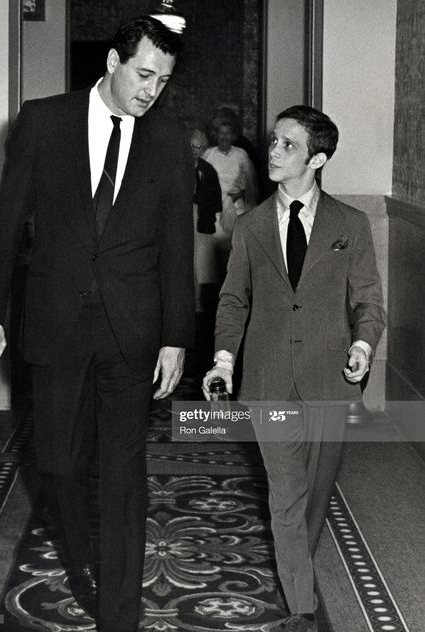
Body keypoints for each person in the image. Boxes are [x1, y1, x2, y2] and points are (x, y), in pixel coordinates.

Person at [0, 16, 194, 632]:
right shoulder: (44, 120)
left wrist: (177, 336)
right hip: (56, 322)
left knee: (125, 475)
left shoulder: (173, 140)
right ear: (114, 63)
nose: (152, 90)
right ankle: (89, 560)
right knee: (59, 465)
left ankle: (119, 614)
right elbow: (6, 221)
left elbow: (178, 246)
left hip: (132, 332)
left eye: (164, 81)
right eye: (144, 74)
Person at [203, 105, 385, 632]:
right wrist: (223, 360)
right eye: (274, 142)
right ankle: (301, 609)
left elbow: (368, 301)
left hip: (332, 379)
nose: (274, 152)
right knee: (286, 493)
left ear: (318, 159)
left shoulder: (350, 225)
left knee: (315, 494)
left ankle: (295, 567)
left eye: (288, 145)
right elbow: (234, 299)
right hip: (268, 381)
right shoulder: (251, 224)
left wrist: (364, 347)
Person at [203, 121, 258, 277]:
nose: (224, 137)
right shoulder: (209, 154)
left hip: (236, 209)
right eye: (221, 133)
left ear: (233, 136)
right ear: (216, 135)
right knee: (211, 258)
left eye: (228, 133)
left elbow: (251, 184)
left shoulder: (241, 155)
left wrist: (240, 195)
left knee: (234, 256)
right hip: (213, 211)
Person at [190, 128, 222, 313]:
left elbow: (214, 200)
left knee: (202, 267)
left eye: (199, 147)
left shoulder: (207, 170)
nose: (195, 150)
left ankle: (199, 304)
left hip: (200, 222)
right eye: (192, 146)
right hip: (180, 218)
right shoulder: (175, 166)